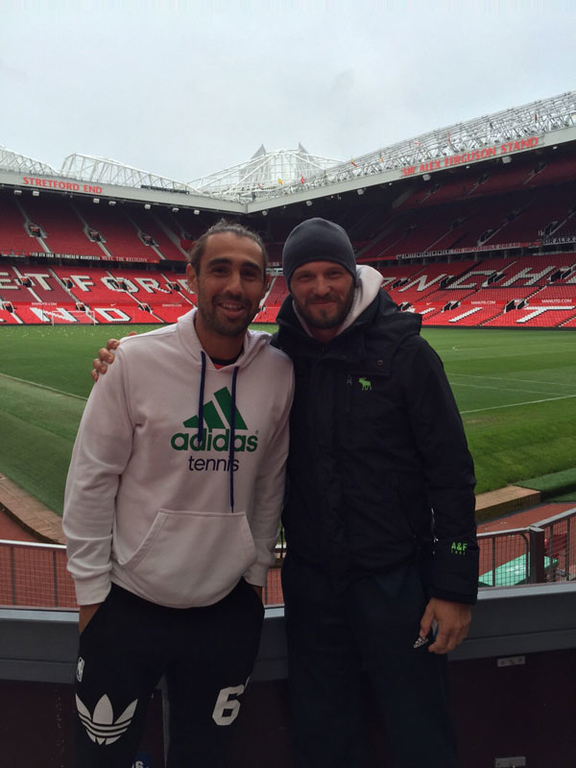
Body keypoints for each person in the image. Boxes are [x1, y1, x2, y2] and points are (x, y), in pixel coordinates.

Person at [93, 217, 478, 768]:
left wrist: (455, 587)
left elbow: (452, 473)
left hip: (397, 584)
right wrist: (121, 362)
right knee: (322, 735)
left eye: (333, 274)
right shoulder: (278, 360)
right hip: (313, 587)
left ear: (353, 276)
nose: (320, 288)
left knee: (420, 732)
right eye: (305, 276)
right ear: (288, 285)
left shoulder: (408, 356)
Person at [65, 220, 294, 768]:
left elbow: (270, 483)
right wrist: (92, 598)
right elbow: (91, 480)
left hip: (226, 610)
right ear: (191, 276)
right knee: (101, 758)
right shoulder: (133, 360)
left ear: (265, 286)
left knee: (206, 756)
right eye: (220, 269)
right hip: (127, 606)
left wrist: (254, 576)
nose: (234, 286)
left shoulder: (280, 371)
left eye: (249, 273)